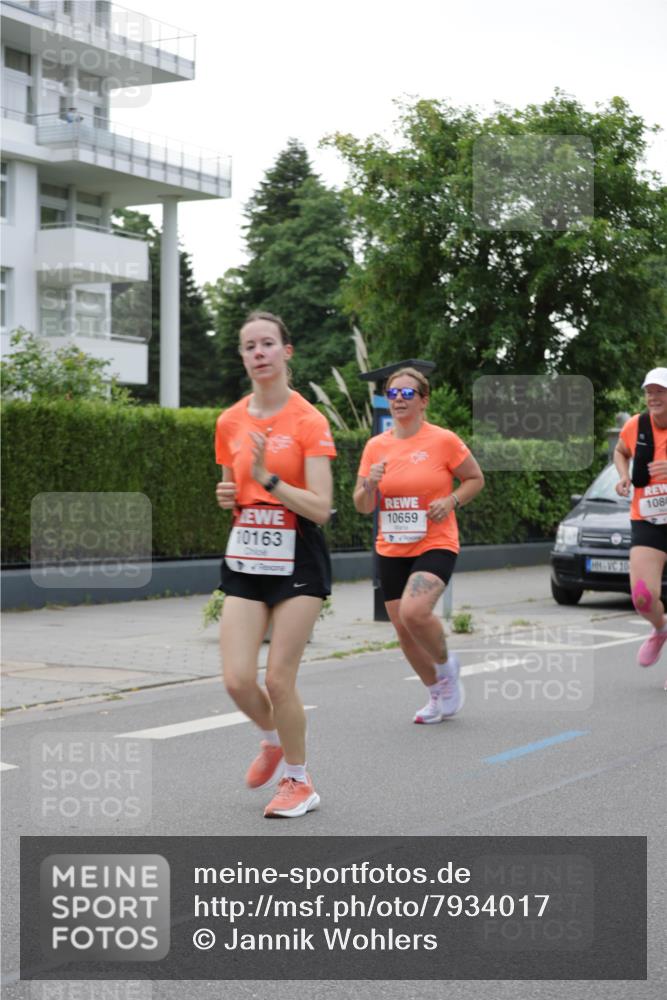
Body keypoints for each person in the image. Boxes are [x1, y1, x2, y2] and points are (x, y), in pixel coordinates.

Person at [214, 311, 336, 817]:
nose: (258, 352)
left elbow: (323, 507)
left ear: (287, 351)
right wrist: (227, 495)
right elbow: (230, 488)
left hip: (298, 554)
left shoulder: (309, 420)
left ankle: (299, 782)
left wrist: (268, 480)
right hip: (246, 551)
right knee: (237, 679)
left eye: (268, 344)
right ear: (243, 357)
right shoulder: (229, 420)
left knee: (278, 679)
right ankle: (272, 740)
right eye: (249, 346)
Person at [353, 367, 484, 723]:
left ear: (424, 401)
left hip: (435, 541)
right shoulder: (375, 447)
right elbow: (362, 506)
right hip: (391, 547)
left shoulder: (443, 440)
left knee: (415, 612)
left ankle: (446, 665)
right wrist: (369, 486)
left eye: (407, 393)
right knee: (403, 629)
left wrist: (452, 501)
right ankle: (436, 693)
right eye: (392, 393)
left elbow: (474, 478)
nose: (398, 399)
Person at [614, 367, 667, 675]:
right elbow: (621, 451)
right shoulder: (637, 425)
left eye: (660, 391)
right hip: (648, 520)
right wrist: (623, 476)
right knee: (643, 597)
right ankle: (660, 629)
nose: (653, 397)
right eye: (650, 391)